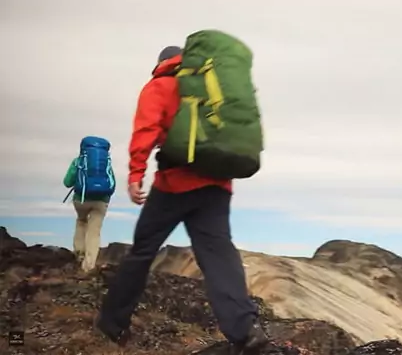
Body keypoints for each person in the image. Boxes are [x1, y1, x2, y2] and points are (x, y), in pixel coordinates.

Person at [95, 46, 269, 354]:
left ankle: (112, 323)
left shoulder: (160, 84)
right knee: (218, 255)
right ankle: (245, 331)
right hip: (217, 185)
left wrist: (136, 173)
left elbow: (146, 130)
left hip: (174, 184)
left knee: (143, 252)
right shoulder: (214, 86)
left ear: (163, 62)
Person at [63, 137, 116, 273]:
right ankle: (89, 266)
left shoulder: (78, 161)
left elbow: (67, 182)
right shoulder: (106, 163)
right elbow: (112, 184)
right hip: (101, 201)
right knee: (94, 232)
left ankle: (79, 255)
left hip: (81, 199)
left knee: (81, 221)